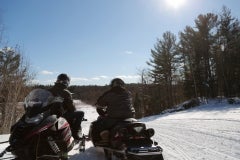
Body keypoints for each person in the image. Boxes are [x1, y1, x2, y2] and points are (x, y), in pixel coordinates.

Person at [93, 78, 135, 143]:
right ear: (122, 84)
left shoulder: (109, 93)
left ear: (112, 85)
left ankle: (101, 141)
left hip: (114, 118)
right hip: (130, 117)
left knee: (97, 123)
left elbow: (99, 103)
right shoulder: (128, 93)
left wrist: (99, 106)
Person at [48, 73, 84, 140]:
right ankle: (75, 133)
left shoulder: (49, 90)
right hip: (60, 116)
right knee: (81, 113)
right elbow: (71, 108)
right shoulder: (66, 92)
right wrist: (73, 108)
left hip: (47, 115)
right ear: (66, 82)